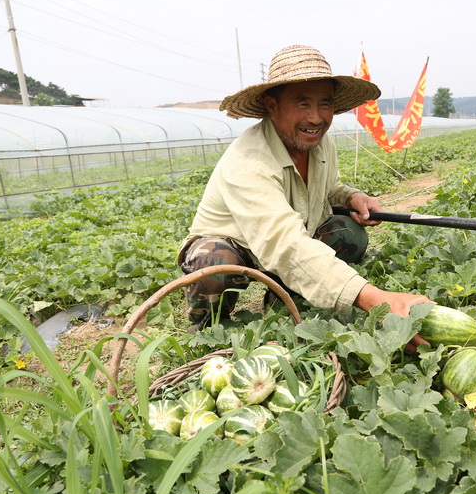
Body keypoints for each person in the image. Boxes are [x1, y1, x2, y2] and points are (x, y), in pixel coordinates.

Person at [178, 44, 431, 351]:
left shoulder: (319, 143)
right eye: (302, 104)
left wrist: (353, 197)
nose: (316, 118)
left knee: (349, 233)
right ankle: (207, 330)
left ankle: (284, 299)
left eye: (324, 104)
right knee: (213, 263)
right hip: (238, 245)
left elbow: (328, 187)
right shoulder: (249, 161)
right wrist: (375, 300)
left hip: (291, 236)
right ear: (272, 106)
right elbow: (283, 245)